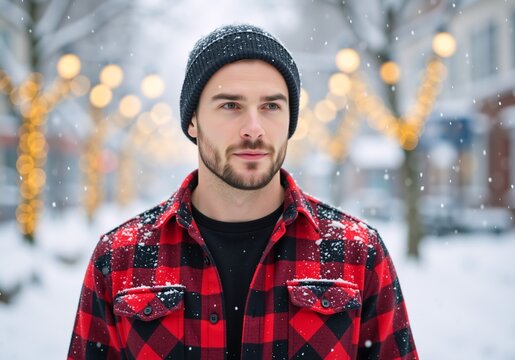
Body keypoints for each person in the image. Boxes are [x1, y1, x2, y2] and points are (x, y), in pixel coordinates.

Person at [68, 24, 418, 360]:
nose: (254, 129)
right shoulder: (119, 259)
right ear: (193, 121)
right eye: (230, 105)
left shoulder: (356, 253)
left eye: (271, 106)